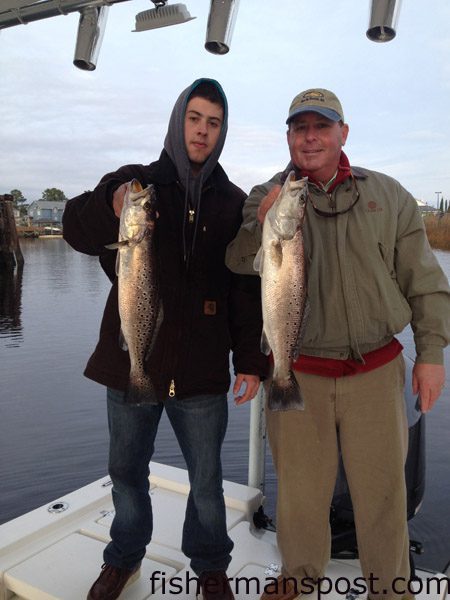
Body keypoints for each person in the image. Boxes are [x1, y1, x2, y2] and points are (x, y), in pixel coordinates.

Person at [225, 88, 450, 600]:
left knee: (384, 496)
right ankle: (298, 579)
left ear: (342, 133)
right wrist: (258, 226)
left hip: (376, 372)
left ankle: (391, 588)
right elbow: (238, 264)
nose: (310, 137)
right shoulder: (267, 196)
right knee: (300, 496)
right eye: (300, 127)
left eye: (321, 127)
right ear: (288, 137)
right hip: (298, 370)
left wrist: (431, 354)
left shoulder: (388, 195)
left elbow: (425, 282)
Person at [63, 78, 268, 600]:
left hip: (200, 372)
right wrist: (110, 203)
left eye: (213, 123)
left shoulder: (232, 202)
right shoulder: (136, 184)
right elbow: (73, 230)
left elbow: (245, 290)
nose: (202, 131)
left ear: (222, 132)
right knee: (126, 471)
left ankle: (211, 566)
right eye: (194, 118)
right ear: (179, 121)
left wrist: (250, 361)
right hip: (133, 358)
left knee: (206, 480)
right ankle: (124, 558)